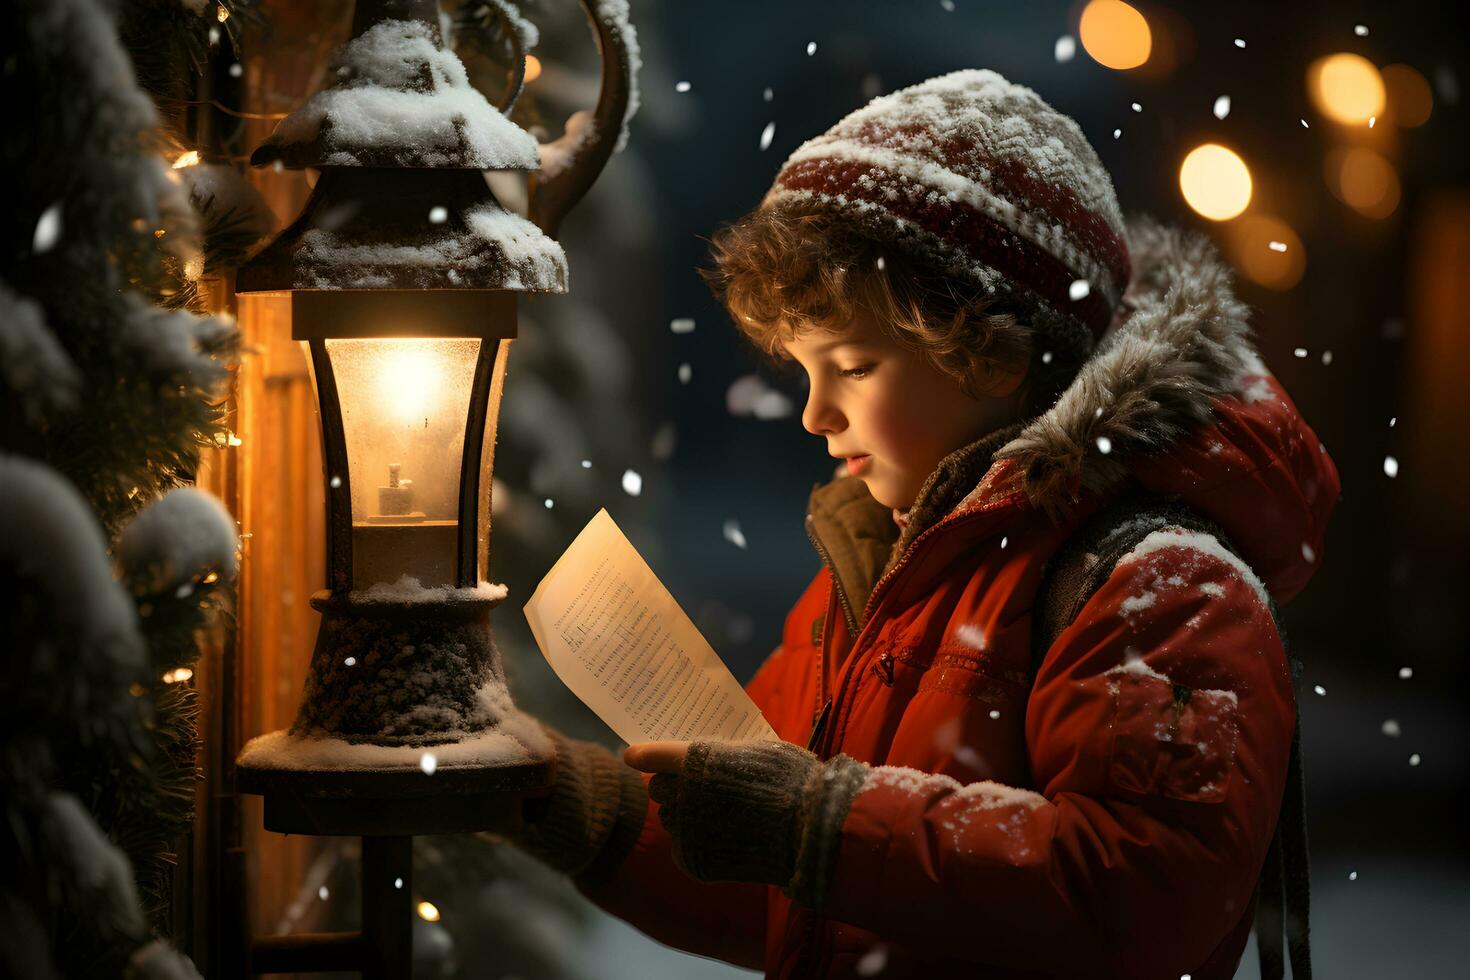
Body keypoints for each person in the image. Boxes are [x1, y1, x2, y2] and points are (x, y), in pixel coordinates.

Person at [501, 69, 1339, 980]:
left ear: (990, 350)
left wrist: (818, 827)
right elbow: (784, 886)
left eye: (852, 365)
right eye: (801, 368)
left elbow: (1136, 898)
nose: (815, 412)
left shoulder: (1164, 587)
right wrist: (563, 797)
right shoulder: (876, 569)